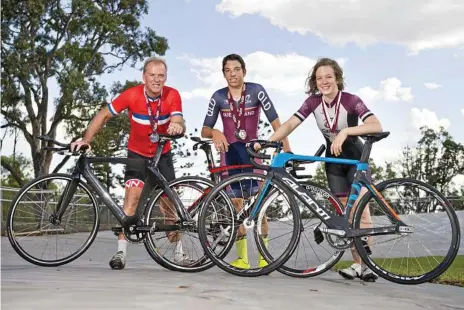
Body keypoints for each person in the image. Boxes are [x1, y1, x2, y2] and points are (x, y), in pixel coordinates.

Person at [261, 57, 382, 282]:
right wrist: (267, 142)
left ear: (337, 77)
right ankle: (357, 264)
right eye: (319, 78)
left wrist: (346, 132)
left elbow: (376, 125)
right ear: (314, 82)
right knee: (345, 216)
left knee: (361, 211)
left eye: (328, 76)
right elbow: (289, 125)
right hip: (333, 162)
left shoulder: (351, 100)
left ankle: (367, 267)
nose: (324, 81)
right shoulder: (313, 102)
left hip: (354, 158)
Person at [70, 56, 190, 270]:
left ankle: (180, 253)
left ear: (166, 77)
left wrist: (177, 125)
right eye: (152, 75)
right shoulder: (132, 95)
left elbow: (178, 119)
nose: (156, 79)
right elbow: (104, 115)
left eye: (160, 75)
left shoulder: (172, 94)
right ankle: (120, 253)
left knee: (170, 211)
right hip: (137, 155)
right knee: (131, 202)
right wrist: (86, 139)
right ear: (144, 76)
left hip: (162, 155)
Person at [201, 53, 292, 269]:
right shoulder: (218, 96)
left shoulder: (256, 90)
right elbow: (204, 129)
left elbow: (276, 122)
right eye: (228, 70)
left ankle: (264, 259)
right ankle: (242, 259)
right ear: (223, 74)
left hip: (253, 153)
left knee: (259, 208)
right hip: (230, 154)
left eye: (236, 69)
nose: (232, 74)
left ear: (244, 71)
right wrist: (215, 132)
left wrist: (287, 150)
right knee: (236, 207)